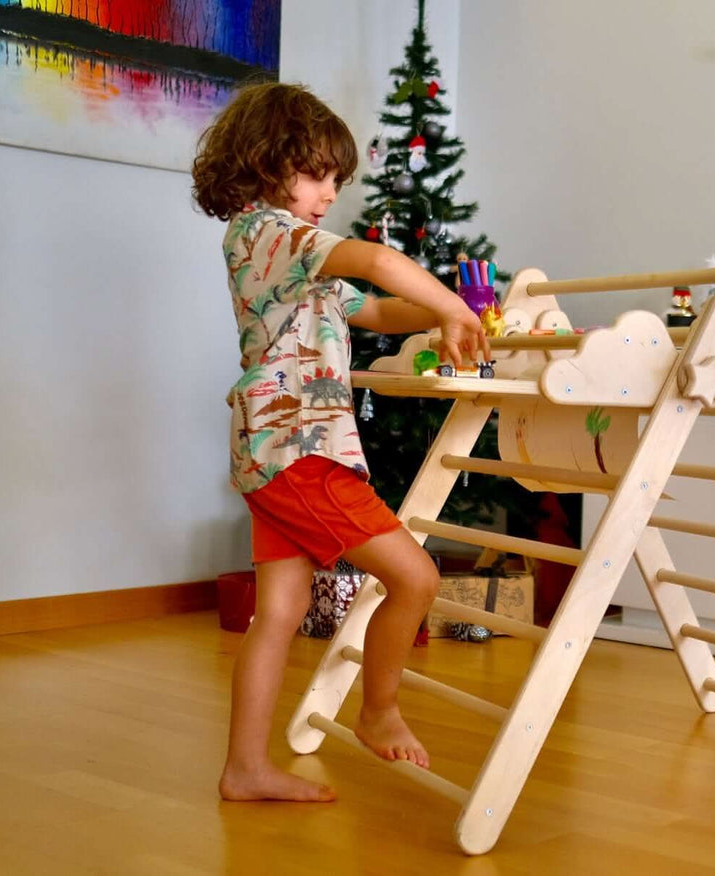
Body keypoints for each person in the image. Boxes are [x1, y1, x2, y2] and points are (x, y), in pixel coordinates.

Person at [191, 82, 489, 802]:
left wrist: (436, 324)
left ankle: (244, 768)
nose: (328, 193)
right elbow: (378, 264)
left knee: (282, 613)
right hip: (298, 450)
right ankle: (380, 711)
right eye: (314, 175)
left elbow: (378, 304)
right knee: (415, 577)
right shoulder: (263, 233)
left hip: (278, 448)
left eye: (336, 180)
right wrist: (450, 303)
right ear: (265, 166)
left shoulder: (304, 265)